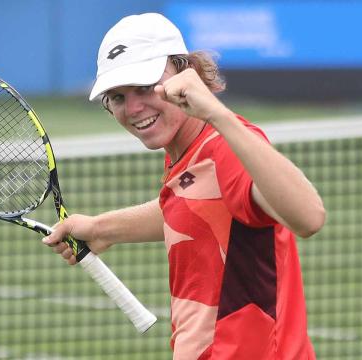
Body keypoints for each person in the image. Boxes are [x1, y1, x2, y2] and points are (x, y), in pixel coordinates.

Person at [43, 12, 326, 360]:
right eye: (117, 97)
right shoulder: (187, 151)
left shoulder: (226, 147)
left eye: (146, 87)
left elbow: (309, 218)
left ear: (185, 73)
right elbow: (193, 207)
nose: (133, 108)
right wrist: (102, 229)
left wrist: (217, 114)